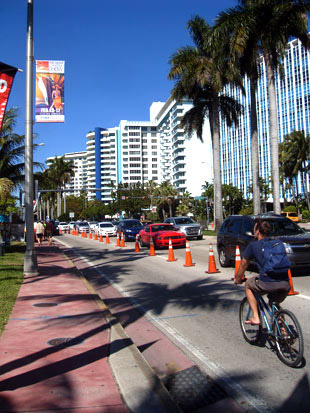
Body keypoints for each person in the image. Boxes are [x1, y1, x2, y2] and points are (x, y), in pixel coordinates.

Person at [234, 220, 290, 325]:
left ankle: (255, 317)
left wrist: (238, 279)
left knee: (248, 285)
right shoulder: (278, 243)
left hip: (267, 283)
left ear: (258, 232)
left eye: (254, 230)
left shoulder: (254, 246)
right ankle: (283, 330)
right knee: (274, 303)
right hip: (285, 283)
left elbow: (243, 265)